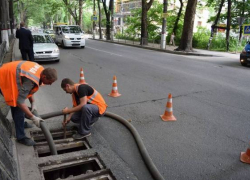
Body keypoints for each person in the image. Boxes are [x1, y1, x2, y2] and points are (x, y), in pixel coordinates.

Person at [0, 61, 57, 146]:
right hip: (3, 79)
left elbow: (29, 89)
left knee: (19, 105)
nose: (50, 84)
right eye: (50, 82)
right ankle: (21, 137)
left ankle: (21, 123)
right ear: (44, 77)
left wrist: (32, 102)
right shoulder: (31, 79)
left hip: (6, 73)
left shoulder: (40, 70)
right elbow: (20, 100)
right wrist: (33, 117)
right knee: (18, 107)